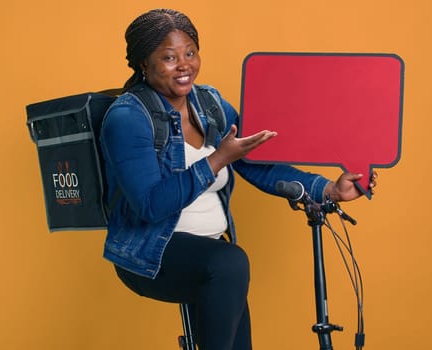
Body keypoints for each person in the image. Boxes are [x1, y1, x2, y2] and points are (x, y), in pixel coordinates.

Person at [100, 8, 377, 350]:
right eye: (169, 58)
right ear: (144, 64)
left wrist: (328, 188)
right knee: (231, 260)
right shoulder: (127, 117)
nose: (184, 65)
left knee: (230, 284)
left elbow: (257, 162)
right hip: (150, 256)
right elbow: (150, 204)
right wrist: (216, 160)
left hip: (213, 261)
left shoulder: (210, 103)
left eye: (190, 53)